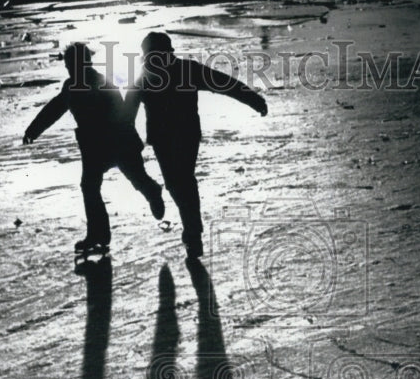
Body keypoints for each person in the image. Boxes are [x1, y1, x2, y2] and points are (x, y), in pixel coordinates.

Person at [124, 32, 268, 260]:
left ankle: (193, 233)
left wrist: (254, 99)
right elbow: (127, 114)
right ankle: (192, 230)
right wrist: (127, 138)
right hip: (168, 138)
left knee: (183, 181)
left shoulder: (185, 70)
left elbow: (223, 83)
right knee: (176, 183)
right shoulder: (149, 77)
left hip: (183, 135)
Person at [23, 42, 165, 253]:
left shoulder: (101, 83)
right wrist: (33, 130)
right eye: (68, 65)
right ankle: (98, 234)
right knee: (89, 188)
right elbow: (54, 109)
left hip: (118, 141)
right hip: (94, 147)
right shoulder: (71, 87)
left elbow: (124, 113)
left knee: (135, 177)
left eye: (71, 64)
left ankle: (151, 192)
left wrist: (129, 140)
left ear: (83, 63)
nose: (69, 69)